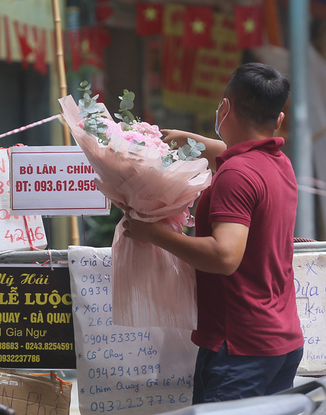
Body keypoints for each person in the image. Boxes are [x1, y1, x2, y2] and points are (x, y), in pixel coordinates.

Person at [122, 63, 304, 403]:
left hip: (240, 349)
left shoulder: (236, 175)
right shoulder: (278, 162)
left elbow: (225, 256)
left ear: (224, 108)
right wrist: (188, 140)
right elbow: (234, 155)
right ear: (277, 121)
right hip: (281, 343)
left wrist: (152, 233)